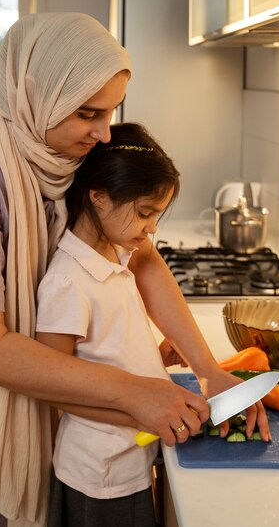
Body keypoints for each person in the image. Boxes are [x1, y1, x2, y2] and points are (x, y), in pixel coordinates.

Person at [0, 13, 270, 527]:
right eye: (87, 113)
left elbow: (142, 257)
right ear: (38, 95)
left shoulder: (62, 153)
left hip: (50, 387)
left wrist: (210, 372)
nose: (104, 133)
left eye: (111, 112)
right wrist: (132, 390)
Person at [35, 122, 182, 527]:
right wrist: (139, 413)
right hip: (98, 474)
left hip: (126, 458)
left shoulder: (115, 256)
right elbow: (53, 385)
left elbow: (103, 352)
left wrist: (153, 359)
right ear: (98, 197)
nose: (151, 228)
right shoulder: (68, 281)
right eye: (144, 213)